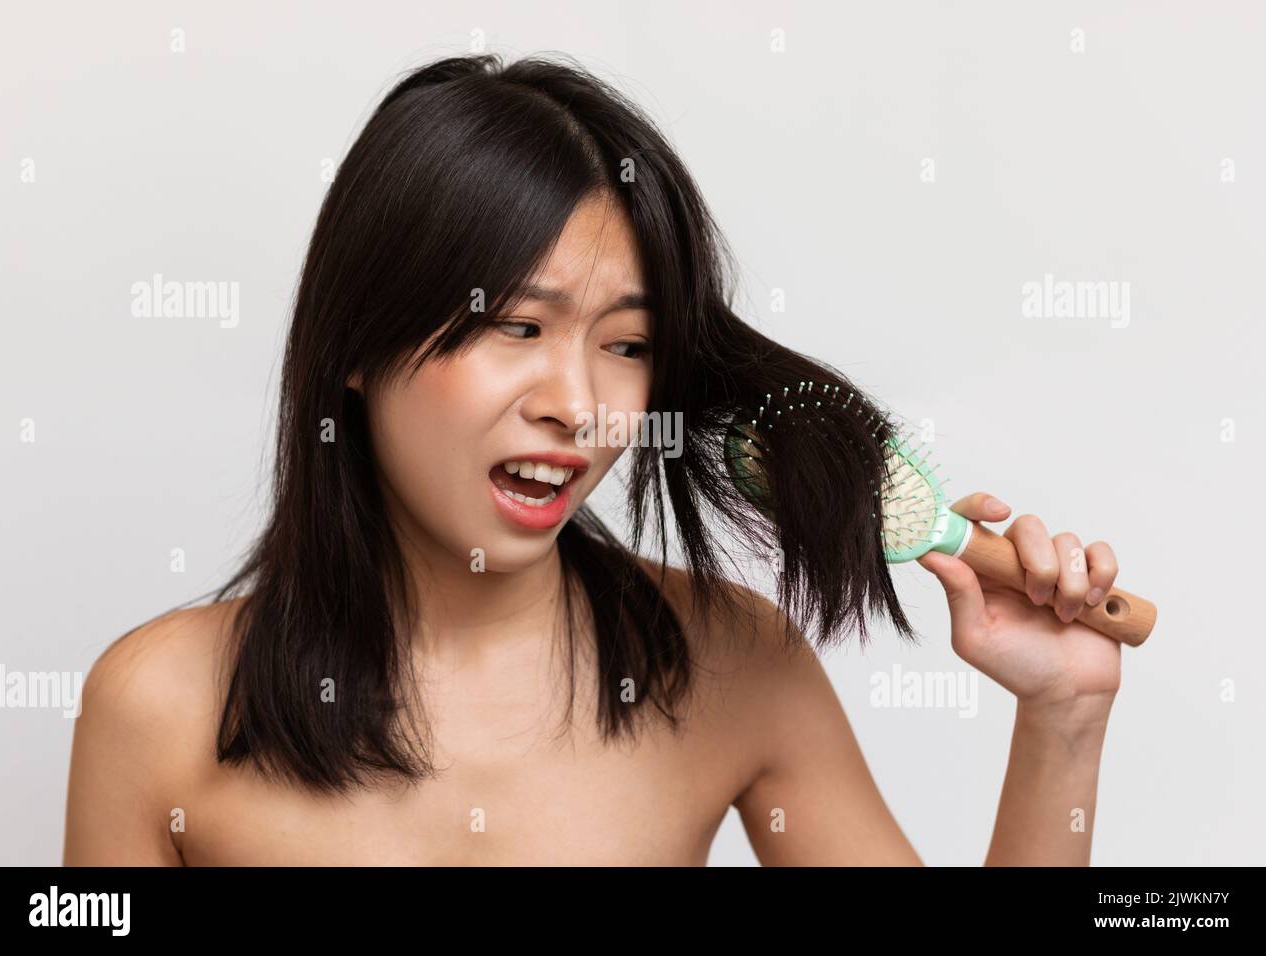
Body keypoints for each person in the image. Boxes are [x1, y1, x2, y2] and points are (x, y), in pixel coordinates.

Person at [63, 53, 1122, 866]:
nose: (578, 405)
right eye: (517, 327)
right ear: (356, 341)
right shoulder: (158, 704)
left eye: (625, 344)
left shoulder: (730, 663)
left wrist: (1062, 714)